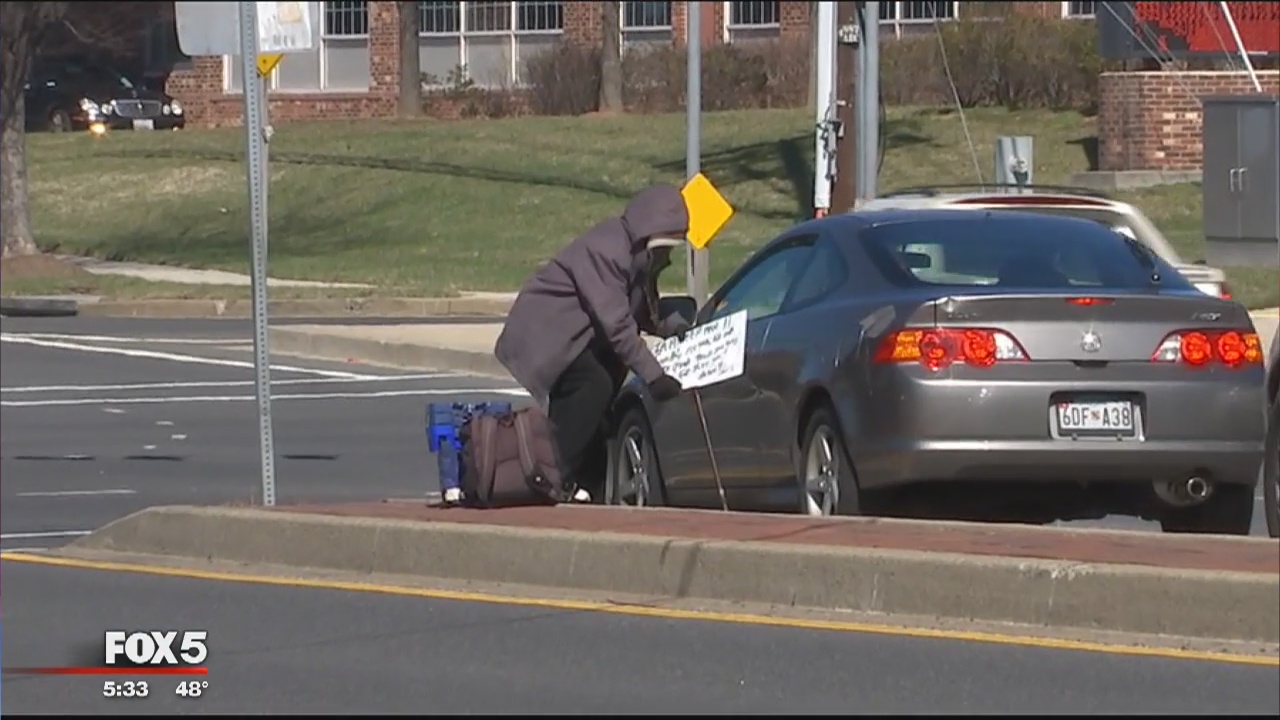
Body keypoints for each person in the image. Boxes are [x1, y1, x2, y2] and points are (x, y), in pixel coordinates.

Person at [494, 184, 692, 502]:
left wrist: (674, 327)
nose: (667, 256)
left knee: (601, 397)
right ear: (650, 238)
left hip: (579, 338)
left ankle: (588, 485)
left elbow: (641, 310)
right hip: (548, 333)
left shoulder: (637, 258)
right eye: (666, 248)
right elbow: (617, 325)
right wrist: (654, 376)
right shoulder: (607, 251)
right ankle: (553, 475)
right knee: (591, 384)